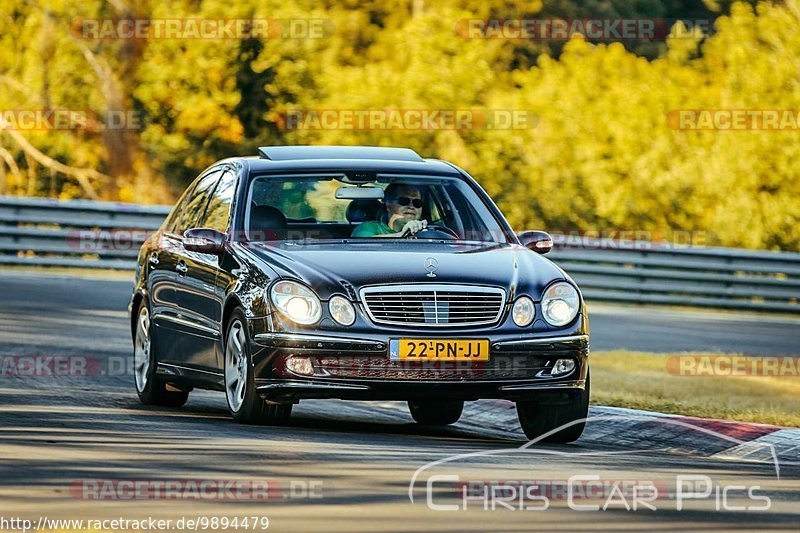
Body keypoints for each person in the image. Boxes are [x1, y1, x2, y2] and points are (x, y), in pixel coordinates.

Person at [351, 183, 428, 237]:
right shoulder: (368, 227)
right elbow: (362, 243)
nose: (411, 206)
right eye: (404, 201)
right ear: (388, 205)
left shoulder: (428, 230)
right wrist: (402, 234)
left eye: (417, 202)